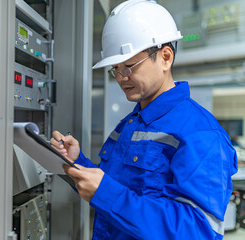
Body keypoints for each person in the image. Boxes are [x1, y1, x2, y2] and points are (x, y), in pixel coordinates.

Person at [50, 0, 238, 239]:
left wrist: (107, 194)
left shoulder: (200, 133)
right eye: (115, 69)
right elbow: (119, 186)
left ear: (165, 58)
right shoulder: (131, 123)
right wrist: (79, 162)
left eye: (129, 66)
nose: (120, 78)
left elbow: (198, 230)